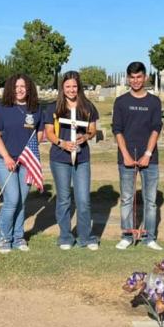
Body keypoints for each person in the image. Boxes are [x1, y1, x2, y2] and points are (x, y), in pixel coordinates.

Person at [44, 71, 99, 250]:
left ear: (79, 87)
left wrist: (85, 137)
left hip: (82, 158)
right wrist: (62, 143)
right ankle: (65, 237)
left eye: (74, 86)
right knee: (64, 199)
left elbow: (92, 129)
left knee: (83, 199)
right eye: (67, 86)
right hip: (60, 158)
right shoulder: (54, 107)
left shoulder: (87, 106)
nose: (71, 90)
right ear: (62, 88)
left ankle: (86, 237)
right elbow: (49, 132)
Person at [112, 61, 163, 251]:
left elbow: (156, 128)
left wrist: (148, 154)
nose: (135, 81)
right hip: (126, 157)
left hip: (150, 158)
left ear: (145, 77)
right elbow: (117, 129)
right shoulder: (121, 102)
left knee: (150, 200)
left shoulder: (154, 101)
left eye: (139, 77)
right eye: (132, 77)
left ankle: (149, 237)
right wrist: (125, 154)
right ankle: (126, 234)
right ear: (128, 78)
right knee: (126, 198)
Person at [0, 74, 44, 253]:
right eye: (16, 86)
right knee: (12, 199)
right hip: (5, 160)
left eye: (23, 86)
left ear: (29, 88)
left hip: (27, 161)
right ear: (10, 89)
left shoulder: (36, 110)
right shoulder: (3, 109)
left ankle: (18, 237)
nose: (20, 89)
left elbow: (39, 134)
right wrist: (7, 157)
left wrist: (31, 154)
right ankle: (1, 236)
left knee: (21, 200)